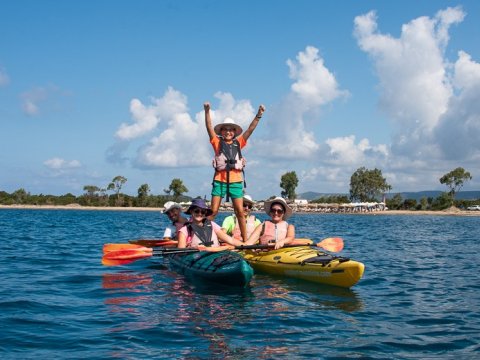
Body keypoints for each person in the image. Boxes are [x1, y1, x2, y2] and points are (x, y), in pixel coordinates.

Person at [204, 101, 265, 242]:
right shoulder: (217, 142)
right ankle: (200, 233)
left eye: (231, 130)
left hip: (236, 181)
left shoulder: (239, 143)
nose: (228, 132)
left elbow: (250, 130)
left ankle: (245, 241)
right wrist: (207, 111)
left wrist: (259, 115)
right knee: (213, 212)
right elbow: (208, 127)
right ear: (221, 131)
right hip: (220, 180)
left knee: (239, 212)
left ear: (234, 132)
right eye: (225, 129)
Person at [177, 198, 245, 249]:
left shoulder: (212, 225)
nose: (199, 214)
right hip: (196, 258)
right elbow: (181, 252)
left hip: (216, 256)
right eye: (196, 211)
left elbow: (231, 240)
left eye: (203, 212)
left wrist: (245, 245)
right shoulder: (184, 230)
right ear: (191, 211)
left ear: (205, 213)